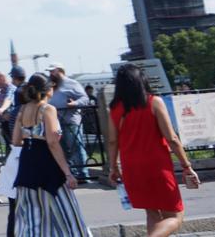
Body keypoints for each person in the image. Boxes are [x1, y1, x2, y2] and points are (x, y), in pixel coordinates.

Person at [106, 63, 198, 237]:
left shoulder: (115, 109)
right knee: (176, 215)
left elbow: (112, 141)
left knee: (152, 212)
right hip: (157, 166)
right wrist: (186, 165)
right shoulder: (153, 102)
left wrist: (113, 167)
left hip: (131, 167)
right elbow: (172, 138)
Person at [11, 73, 90, 236]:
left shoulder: (22, 109)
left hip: (27, 163)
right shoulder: (48, 109)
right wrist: (68, 173)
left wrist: (31, 135)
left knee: (33, 220)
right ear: (48, 90)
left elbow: (16, 140)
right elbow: (53, 142)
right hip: (47, 163)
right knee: (67, 214)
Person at [47, 63, 91, 181]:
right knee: (62, 148)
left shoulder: (72, 83)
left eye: (52, 71)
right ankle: (71, 173)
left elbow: (85, 98)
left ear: (60, 71)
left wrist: (74, 104)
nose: (50, 74)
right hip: (56, 121)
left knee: (76, 147)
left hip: (70, 120)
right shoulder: (51, 85)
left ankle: (83, 174)